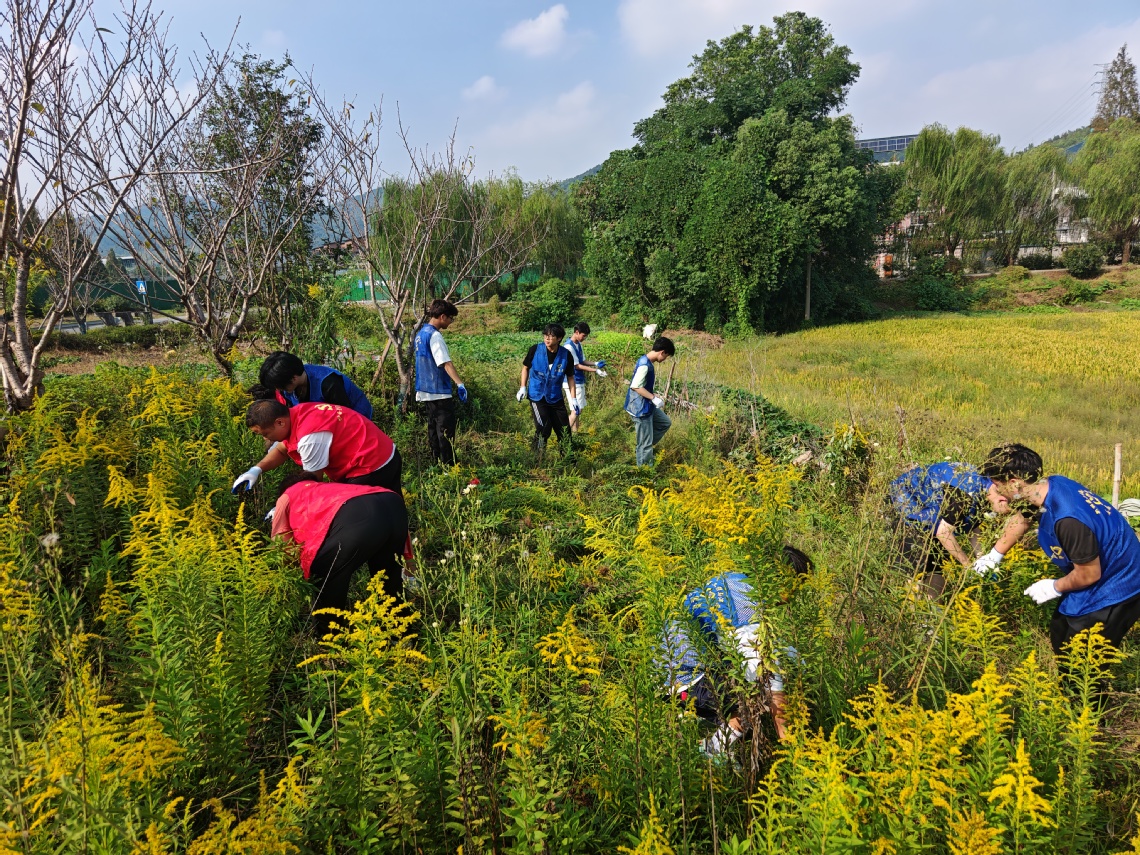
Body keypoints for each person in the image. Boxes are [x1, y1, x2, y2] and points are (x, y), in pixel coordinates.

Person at [980, 443, 1140, 655]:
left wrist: (1054, 586)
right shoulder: (1048, 486)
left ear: (1014, 483)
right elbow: (1024, 517)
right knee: (1060, 632)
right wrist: (995, 555)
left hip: (1119, 584)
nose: (995, 491)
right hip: (1098, 570)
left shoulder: (1068, 520)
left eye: (996, 485)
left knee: (1083, 657)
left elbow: (1089, 574)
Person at [660, 546, 813, 754]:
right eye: (795, 587)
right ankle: (713, 751)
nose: (793, 597)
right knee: (754, 697)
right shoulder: (746, 616)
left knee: (769, 668)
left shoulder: (733, 580)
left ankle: (697, 721)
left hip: (666, 669)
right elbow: (775, 693)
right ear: (782, 581)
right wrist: (795, 750)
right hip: (685, 681)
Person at [269, 472, 408, 636]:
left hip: (360, 515)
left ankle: (329, 640)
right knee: (388, 575)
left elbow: (282, 545)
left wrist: (292, 578)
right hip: (393, 503)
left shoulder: (287, 495)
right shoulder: (327, 488)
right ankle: (399, 635)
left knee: (323, 572)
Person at [888, 461, 1025, 597]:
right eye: (1008, 512)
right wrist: (967, 565)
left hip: (935, 512)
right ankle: (910, 606)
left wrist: (983, 558)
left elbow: (973, 526)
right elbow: (943, 533)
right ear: (1002, 500)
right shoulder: (963, 495)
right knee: (915, 566)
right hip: (907, 501)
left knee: (938, 563)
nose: (1003, 517)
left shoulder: (988, 492)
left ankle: (934, 608)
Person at [233, 400, 401, 494]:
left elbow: (312, 484)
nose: (265, 438)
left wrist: (284, 507)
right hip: (385, 451)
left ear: (279, 422)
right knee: (393, 509)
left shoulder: (309, 438)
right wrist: (256, 470)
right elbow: (281, 450)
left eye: (265, 433)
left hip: (370, 465)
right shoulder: (298, 413)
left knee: (361, 514)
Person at [414, 299, 467, 465]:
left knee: (433, 429)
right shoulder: (435, 336)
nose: (451, 322)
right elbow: (445, 363)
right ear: (442, 316)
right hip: (439, 391)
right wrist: (460, 384)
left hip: (425, 390)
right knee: (446, 432)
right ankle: (449, 466)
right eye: (451, 318)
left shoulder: (421, 333)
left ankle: (436, 463)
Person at [518, 324, 577, 458]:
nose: (547, 339)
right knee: (543, 428)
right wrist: (522, 387)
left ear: (559, 338)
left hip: (555, 397)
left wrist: (573, 399)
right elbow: (525, 368)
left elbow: (570, 377)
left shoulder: (566, 355)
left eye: (551, 336)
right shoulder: (535, 350)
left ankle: (568, 461)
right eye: (545, 336)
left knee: (564, 431)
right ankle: (537, 459)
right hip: (537, 396)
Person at [260, 351, 373, 420]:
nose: (278, 390)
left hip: (353, 414)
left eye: (280, 386)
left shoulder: (329, 383)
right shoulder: (287, 387)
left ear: (294, 378)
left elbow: (343, 416)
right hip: (322, 418)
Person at [624, 336, 675, 466]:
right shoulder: (645, 365)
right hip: (640, 408)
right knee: (645, 445)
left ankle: (642, 447)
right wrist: (653, 398)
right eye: (666, 356)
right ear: (662, 352)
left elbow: (642, 385)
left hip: (646, 405)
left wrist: (653, 395)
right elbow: (636, 386)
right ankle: (644, 471)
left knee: (665, 423)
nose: (664, 359)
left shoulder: (647, 361)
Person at [561, 322, 606, 433]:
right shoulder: (569, 346)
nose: (584, 338)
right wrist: (596, 371)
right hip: (573, 382)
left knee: (576, 410)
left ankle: (574, 434)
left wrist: (596, 363)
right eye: (583, 335)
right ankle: (563, 435)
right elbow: (577, 366)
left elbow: (582, 361)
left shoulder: (578, 344)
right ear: (577, 332)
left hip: (578, 381)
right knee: (577, 410)